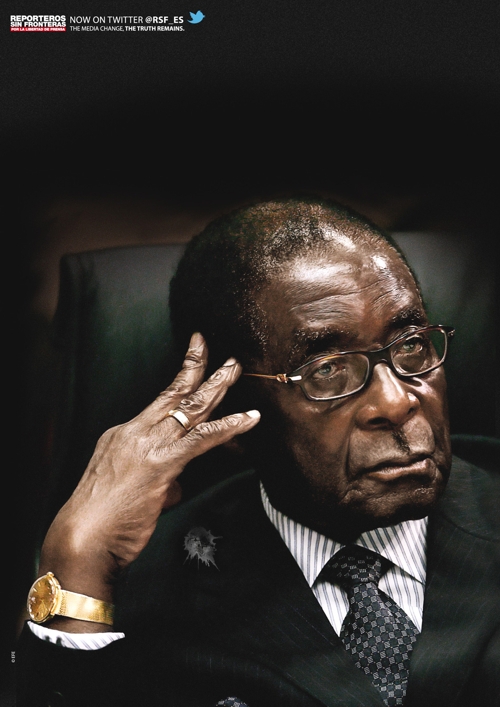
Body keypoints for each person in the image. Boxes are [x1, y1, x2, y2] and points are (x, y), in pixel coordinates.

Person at [17, 197, 499, 707]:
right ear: (232, 410)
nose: (397, 402)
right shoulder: (145, 590)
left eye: (411, 345)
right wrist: (76, 562)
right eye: (327, 369)